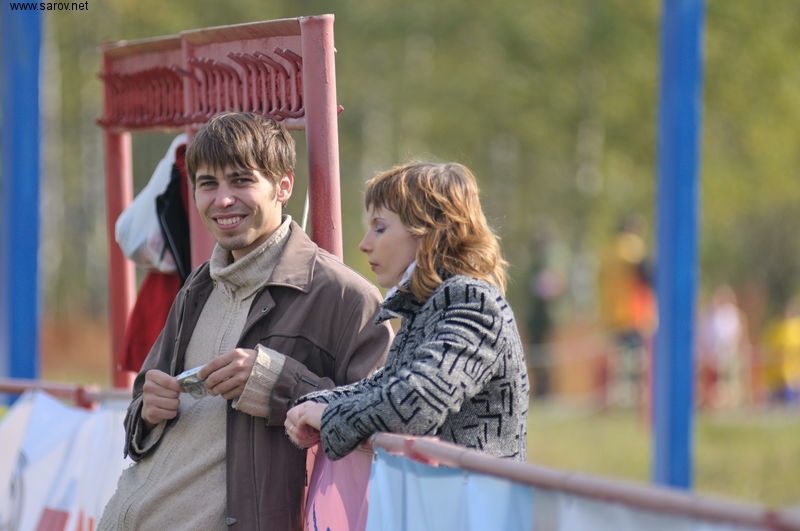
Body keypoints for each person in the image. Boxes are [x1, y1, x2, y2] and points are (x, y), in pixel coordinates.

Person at [99, 112, 393, 530]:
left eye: (240, 181)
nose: (222, 200)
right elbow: (137, 415)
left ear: (283, 186)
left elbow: (384, 426)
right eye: (208, 184)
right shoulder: (197, 286)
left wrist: (279, 383)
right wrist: (146, 410)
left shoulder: (346, 297)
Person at [285, 161, 530, 461]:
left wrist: (327, 415)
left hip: (472, 492)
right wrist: (308, 407)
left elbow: (417, 401)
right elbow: (382, 385)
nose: (364, 244)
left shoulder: (473, 301)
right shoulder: (429, 305)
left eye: (380, 228)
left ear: (429, 232)